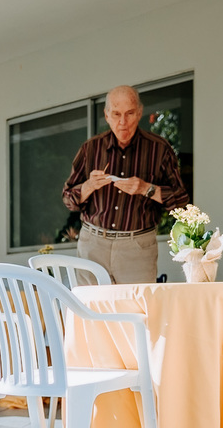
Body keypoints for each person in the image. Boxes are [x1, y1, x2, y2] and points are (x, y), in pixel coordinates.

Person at [61, 85, 189, 283]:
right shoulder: (90, 149)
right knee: (91, 303)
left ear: (139, 113)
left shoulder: (159, 149)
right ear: (106, 115)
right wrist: (89, 186)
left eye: (129, 113)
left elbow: (181, 201)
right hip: (93, 244)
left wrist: (146, 189)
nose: (123, 122)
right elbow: (68, 198)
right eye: (116, 114)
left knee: (134, 302)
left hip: (137, 246)